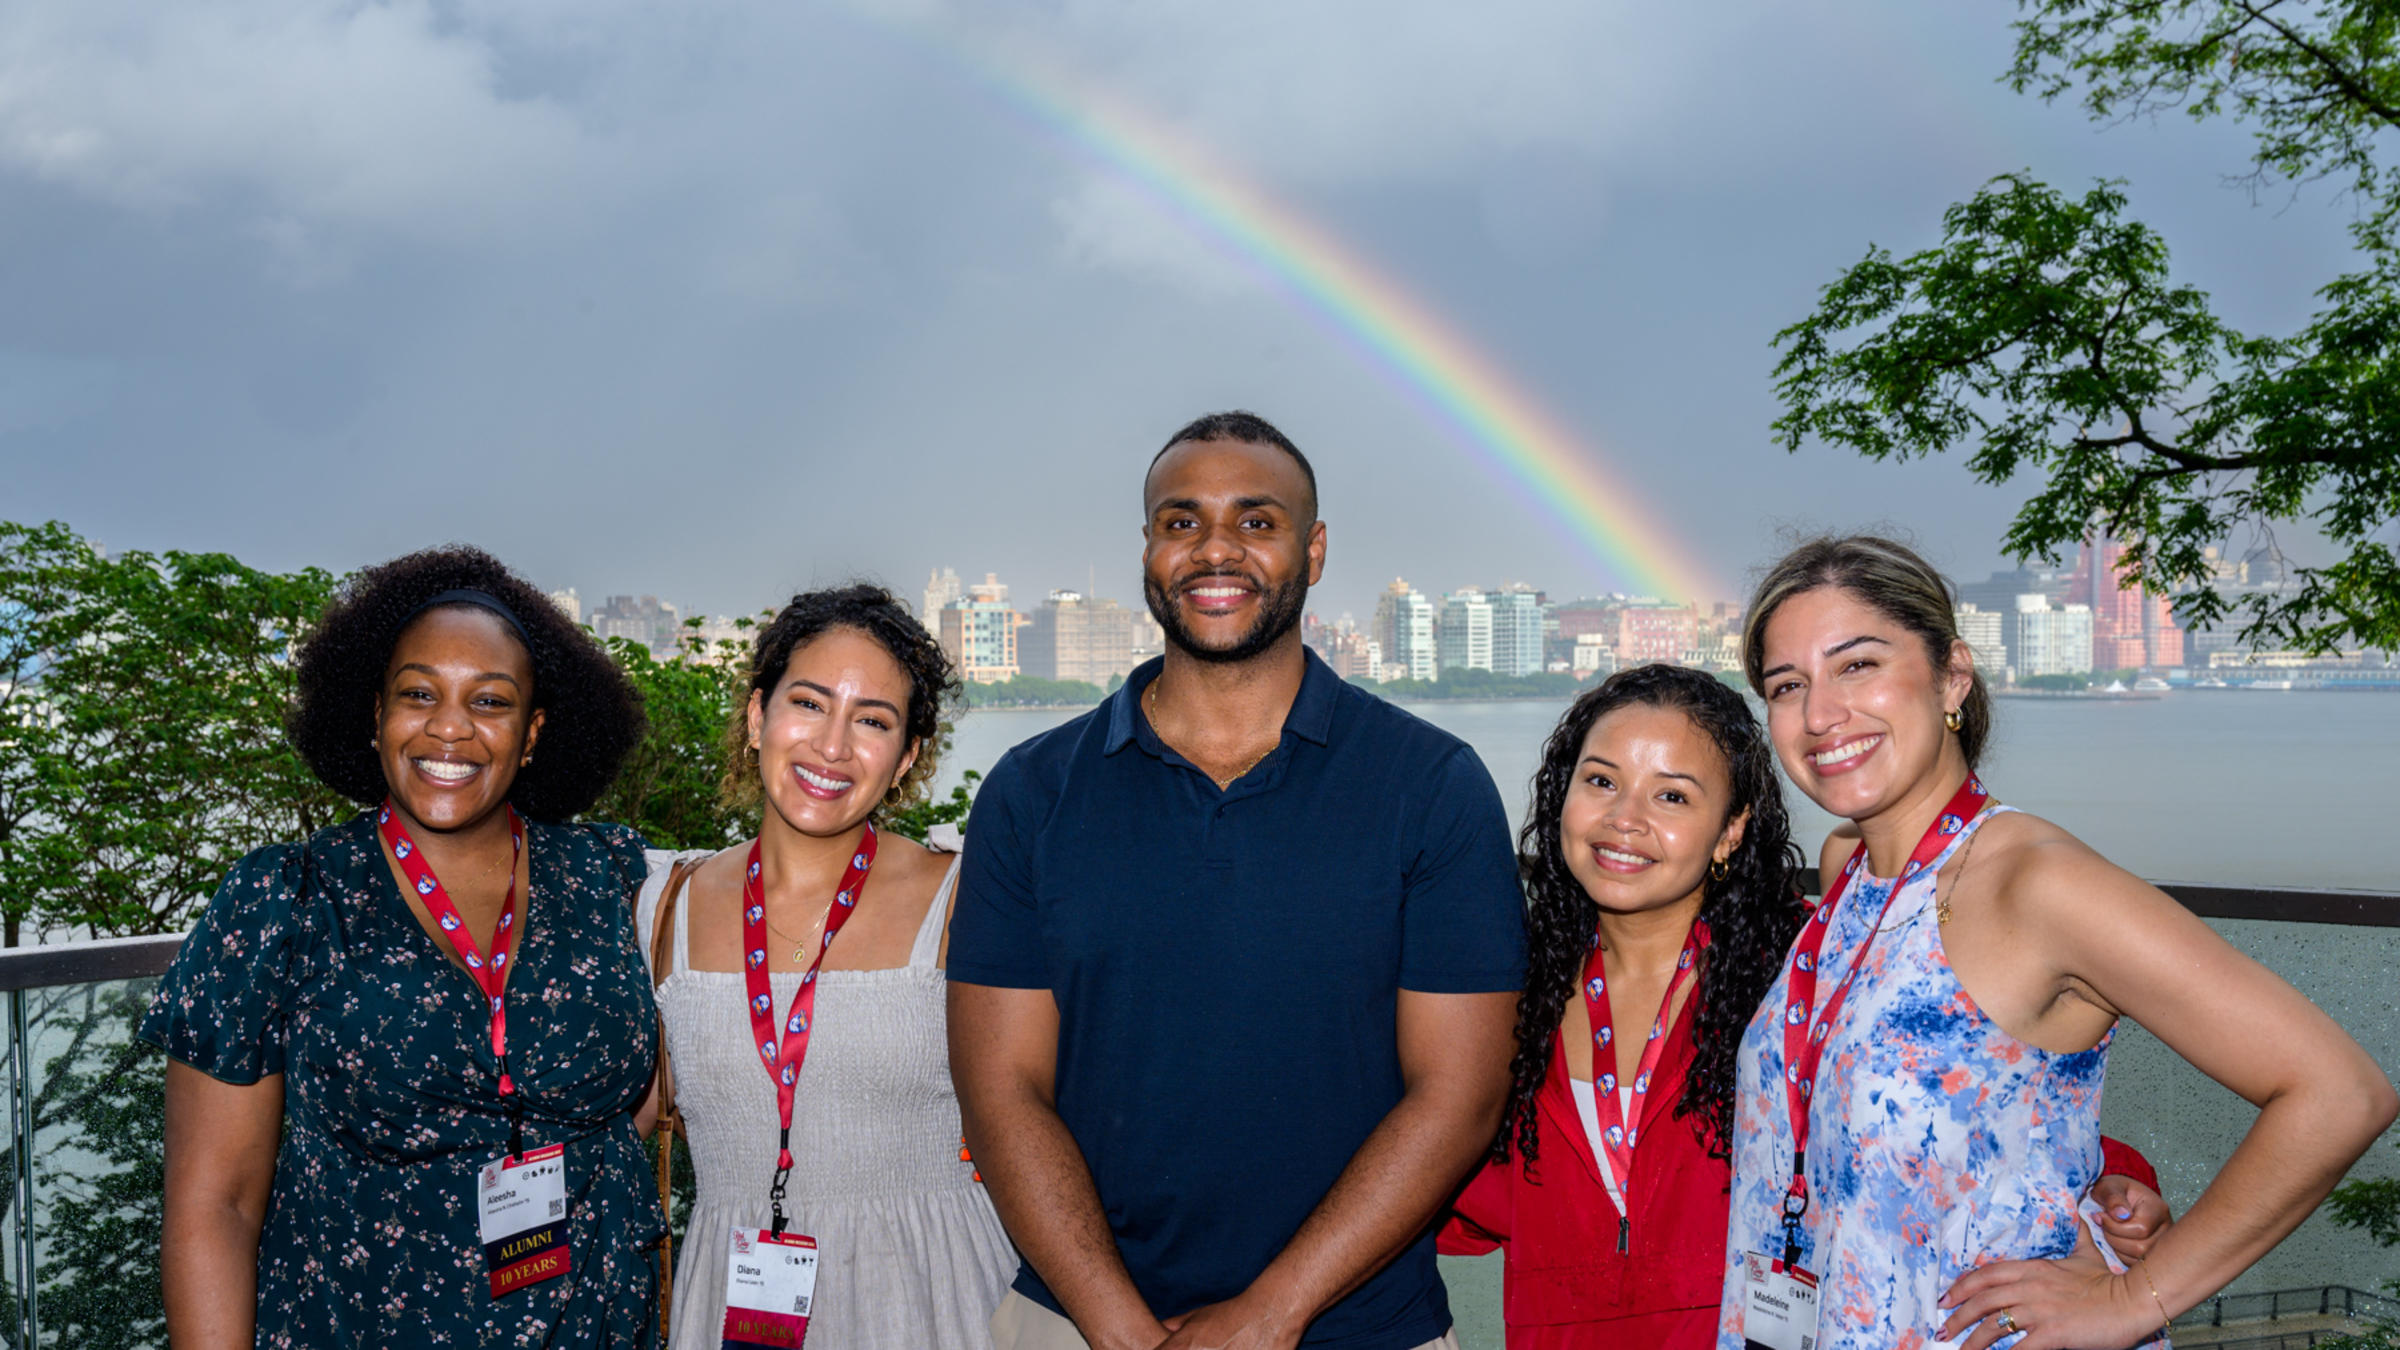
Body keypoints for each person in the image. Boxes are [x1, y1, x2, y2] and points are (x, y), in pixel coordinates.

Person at [1718, 535, 2399, 1350]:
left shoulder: (2039, 883)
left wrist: (2132, 1300)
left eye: (1857, 665)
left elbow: (2338, 1092)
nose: (1821, 714)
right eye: (1787, 685)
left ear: (1952, 677)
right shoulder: (1851, 873)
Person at [948, 411, 1527, 1350]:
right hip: (1075, 1325)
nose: (1216, 550)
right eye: (1182, 522)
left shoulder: (1431, 784)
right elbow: (1002, 1088)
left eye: (1257, 521)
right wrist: (1118, 1326)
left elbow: (1459, 1096)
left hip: (1360, 1327)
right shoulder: (1033, 791)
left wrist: (1268, 1316)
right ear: (1148, 550)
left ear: (1316, 547)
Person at [1440, 664, 2172, 1349]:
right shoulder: (1502, 989)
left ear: (1731, 830)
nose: (1624, 819)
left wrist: (2117, 1183)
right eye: (1600, 780)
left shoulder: (1807, 973)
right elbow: (1460, 1170)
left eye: (1671, 795)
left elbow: (1960, 1109)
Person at [146, 545, 663, 1347]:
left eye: (489, 702)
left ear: (532, 734)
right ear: (375, 713)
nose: (449, 727)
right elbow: (215, 1205)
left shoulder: (609, 878)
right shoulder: (285, 899)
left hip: (592, 1323)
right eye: (418, 693)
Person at [634, 584, 1015, 1349]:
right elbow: (616, 1128)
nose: (833, 746)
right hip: (732, 1309)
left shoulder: (968, 898)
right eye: (808, 704)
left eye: (871, 720)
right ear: (756, 717)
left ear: (906, 757)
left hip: (937, 1306)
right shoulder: (661, 907)